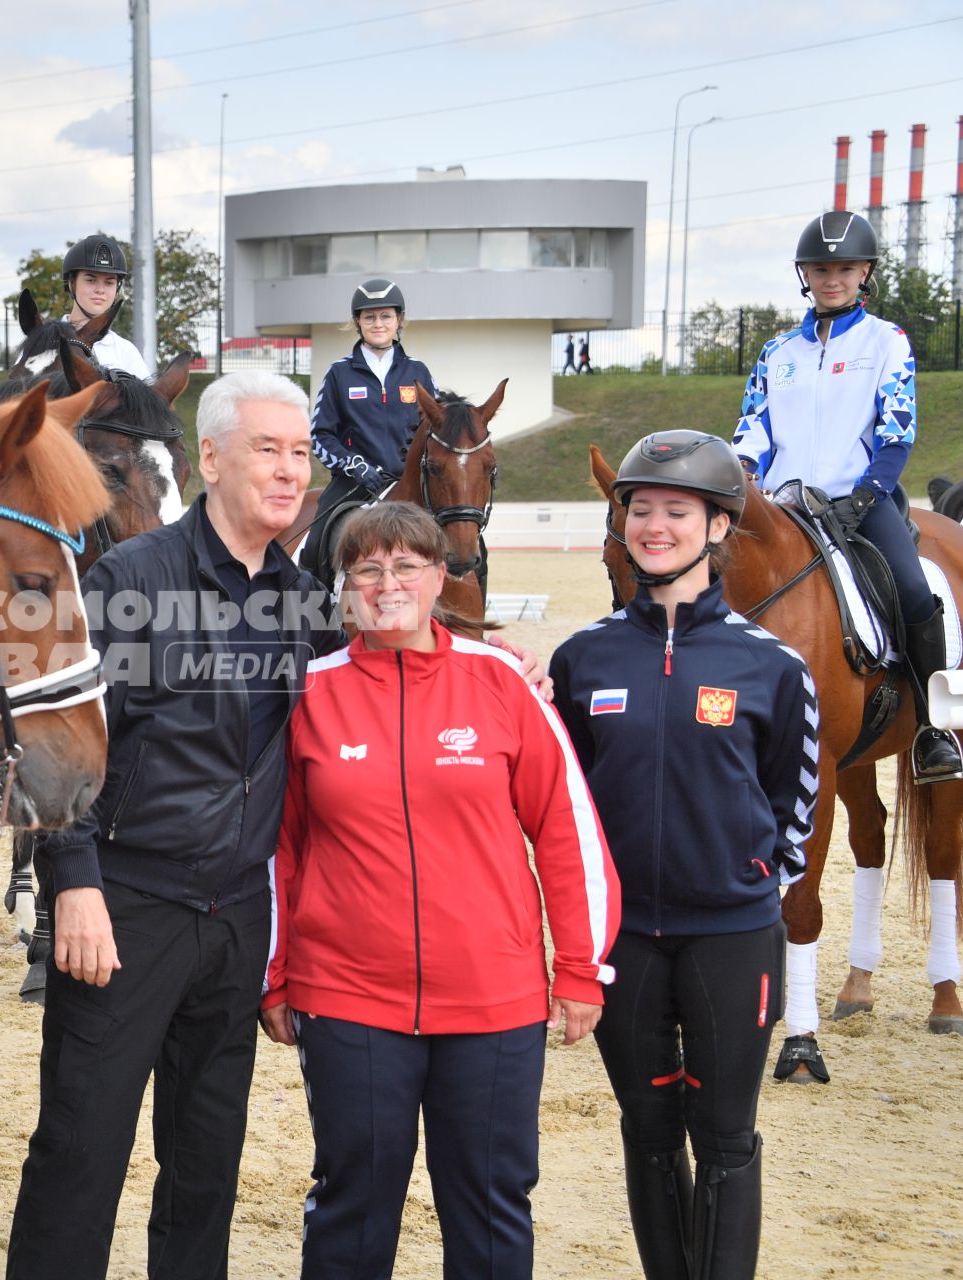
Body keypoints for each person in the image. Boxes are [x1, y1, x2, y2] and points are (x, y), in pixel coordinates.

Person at [5, 372, 543, 1280]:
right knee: (81, 1149)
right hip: (126, 907)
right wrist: (78, 885)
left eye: (300, 453)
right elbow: (53, 747)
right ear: (209, 459)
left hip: (236, 921)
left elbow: (393, 652)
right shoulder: (130, 581)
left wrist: (491, 654)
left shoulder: (302, 599)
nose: (291, 471)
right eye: (268, 450)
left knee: (207, 1163)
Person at [262, 501, 619, 1280]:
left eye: (407, 566)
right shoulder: (307, 695)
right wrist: (276, 975)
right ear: (345, 589)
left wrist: (581, 968)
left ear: (440, 577)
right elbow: (277, 852)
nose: (388, 583)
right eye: (368, 568)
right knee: (352, 1200)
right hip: (348, 997)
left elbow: (567, 831)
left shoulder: (502, 682)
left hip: (494, 999)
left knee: (491, 1202)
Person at [549, 431, 818, 1280]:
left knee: (727, 1137)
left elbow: (795, 807)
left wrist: (743, 887)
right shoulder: (583, 659)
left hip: (732, 940)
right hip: (624, 943)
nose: (655, 526)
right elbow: (569, 806)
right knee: (650, 1131)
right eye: (641, 510)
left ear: (717, 527)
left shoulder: (772, 667)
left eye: (677, 511)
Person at [732, 208, 961, 783]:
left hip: (860, 501)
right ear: (804, 275)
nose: (832, 278)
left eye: (845, 268)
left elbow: (896, 429)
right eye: (820, 268)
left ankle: (933, 728)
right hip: (783, 504)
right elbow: (753, 426)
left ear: (865, 274)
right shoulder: (776, 352)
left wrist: (867, 493)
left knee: (912, 589)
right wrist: (742, 473)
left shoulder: (888, 341)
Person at [303, 278, 438, 582]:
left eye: (386, 316)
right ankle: (318, 617)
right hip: (357, 484)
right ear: (358, 322)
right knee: (315, 546)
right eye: (369, 317)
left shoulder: (419, 372)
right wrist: (352, 463)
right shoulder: (339, 373)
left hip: (413, 487)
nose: (378, 324)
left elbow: (439, 430)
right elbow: (321, 436)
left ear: (399, 320)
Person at [61, 232, 151, 377]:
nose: (100, 290)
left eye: (109, 282)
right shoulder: (43, 343)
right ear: (72, 283)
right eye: (90, 280)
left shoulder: (126, 352)